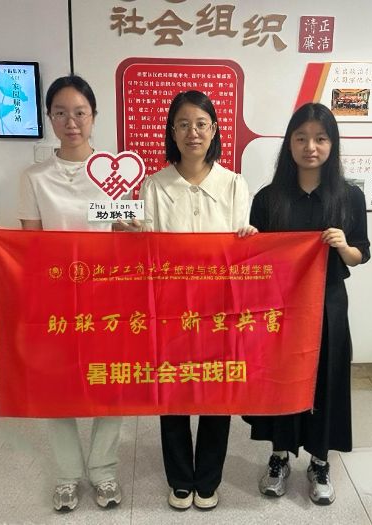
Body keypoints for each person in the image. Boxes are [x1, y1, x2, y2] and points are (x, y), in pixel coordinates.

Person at [0, 75, 123, 513]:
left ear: (94, 116)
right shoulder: (35, 177)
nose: (71, 122)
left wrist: (134, 228)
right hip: (57, 296)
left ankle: (104, 470)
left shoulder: (115, 171)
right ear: (49, 118)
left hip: (107, 295)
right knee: (58, 384)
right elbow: (31, 246)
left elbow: (124, 236)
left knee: (109, 381)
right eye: (61, 113)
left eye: (80, 112)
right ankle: (67, 475)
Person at [114, 90, 256, 510]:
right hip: (170, 309)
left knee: (216, 392)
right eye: (183, 124)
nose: (193, 132)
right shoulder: (154, 186)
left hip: (219, 310)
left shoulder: (234, 184)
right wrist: (126, 230)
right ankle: (179, 478)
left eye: (201, 124)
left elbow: (240, 250)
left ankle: (208, 479)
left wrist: (249, 239)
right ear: (172, 133)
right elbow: (146, 248)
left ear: (214, 130)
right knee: (172, 393)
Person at [243, 102, 370, 505]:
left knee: (325, 380)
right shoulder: (269, 198)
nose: (310, 147)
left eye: (320, 139)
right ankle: (279, 456)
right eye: (301, 138)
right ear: (289, 143)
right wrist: (249, 239)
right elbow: (254, 260)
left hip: (328, 305)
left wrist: (344, 246)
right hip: (279, 308)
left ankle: (319, 461)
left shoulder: (349, 197)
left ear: (332, 144)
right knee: (280, 379)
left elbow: (361, 254)